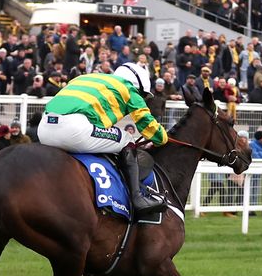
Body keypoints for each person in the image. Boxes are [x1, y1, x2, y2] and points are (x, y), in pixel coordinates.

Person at [36, 62, 168, 216]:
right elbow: (150, 128)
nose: (142, 97)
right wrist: (164, 138)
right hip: (73, 129)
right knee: (127, 138)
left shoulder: (87, 78)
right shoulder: (128, 88)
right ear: (137, 85)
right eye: (143, 94)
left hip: (44, 128)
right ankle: (137, 198)